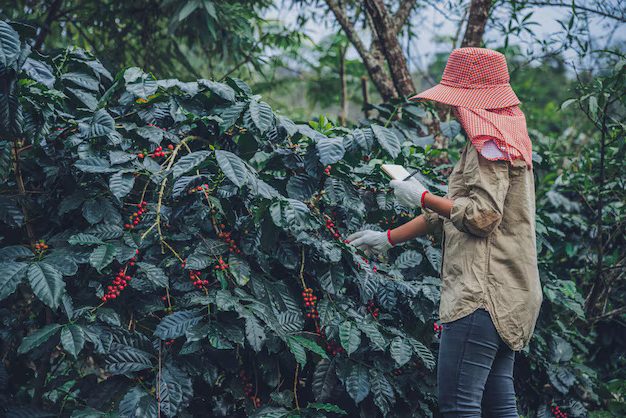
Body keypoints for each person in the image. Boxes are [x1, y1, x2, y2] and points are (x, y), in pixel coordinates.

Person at [347, 48, 543, 417]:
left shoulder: (488, 145)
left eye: (457, 101)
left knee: (459, 407)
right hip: (511, 293)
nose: (452, 110)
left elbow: (482, 216)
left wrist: (420, 195)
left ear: (472, 101)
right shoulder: (509, 143)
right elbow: (449, 213)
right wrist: (387, 238)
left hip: (481, 295)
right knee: (498, 404)